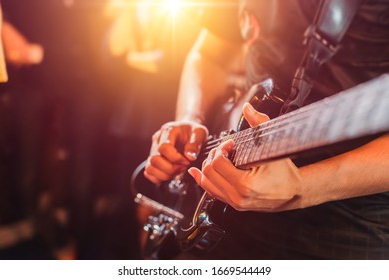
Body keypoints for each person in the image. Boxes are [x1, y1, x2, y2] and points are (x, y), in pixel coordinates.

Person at [143, 0, 389, 259]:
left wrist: (303, 186)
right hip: (225, 198)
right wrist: (191, 117)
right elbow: (211, 52)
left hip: (347, 224)